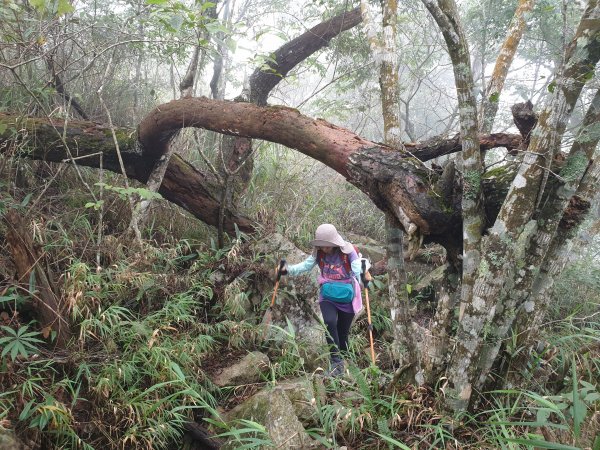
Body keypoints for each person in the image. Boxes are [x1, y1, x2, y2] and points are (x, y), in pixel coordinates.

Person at [278, 224, 362, 377]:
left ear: (334, 243)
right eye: (322, 245)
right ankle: (336, 363)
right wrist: (287, 269)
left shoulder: (348, 252)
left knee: (343, 332)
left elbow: (357, 268)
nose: (324, 249)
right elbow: (305, 266)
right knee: (330, 323)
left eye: (327, 246)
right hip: (327, 295)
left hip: (346, 297)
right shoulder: (318, 253)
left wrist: (364, 274)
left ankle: (347, 359)